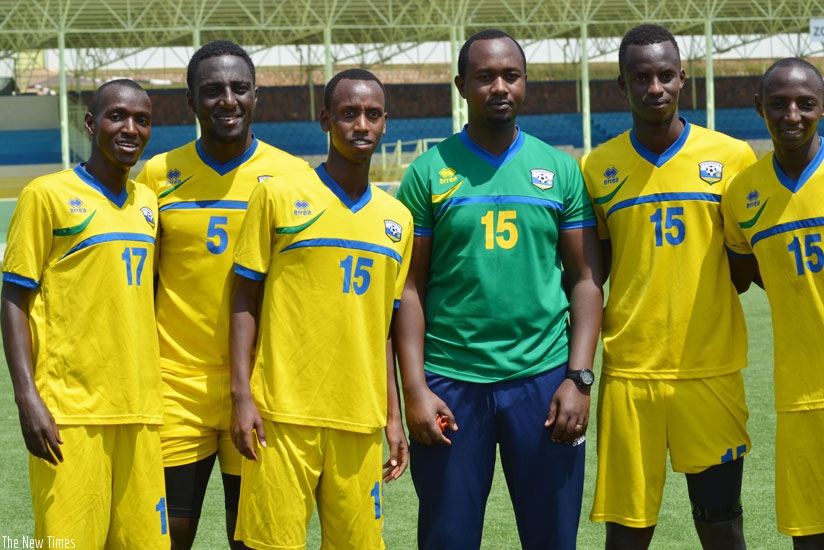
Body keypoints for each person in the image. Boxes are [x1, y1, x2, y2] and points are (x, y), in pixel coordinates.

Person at [394, 28, 603, 549]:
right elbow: (409, 288)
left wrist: (579, 378)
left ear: (526, 81)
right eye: (485, 77)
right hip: (450, 382)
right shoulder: (428, 172)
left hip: (543, 380)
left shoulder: (559, 170)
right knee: (447, 539)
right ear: (461, 86)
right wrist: (415, 389)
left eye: (511, 75)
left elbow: (585, 280)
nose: (500, 87)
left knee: (553, 539)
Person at [580, 24, 756, 550]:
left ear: (683, 78)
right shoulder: (598, 167)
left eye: (664, 75)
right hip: (631, 371)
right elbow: (596, 270)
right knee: (627, 530)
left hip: (711, 368)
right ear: (622, 85)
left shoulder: (732, 157)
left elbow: (743, 269)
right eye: (640, 77)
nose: (654, 87)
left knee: (721, 521)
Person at [135, 40, 310, 550]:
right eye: (212, 90)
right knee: (166, 537)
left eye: (239, 88)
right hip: (175, 383)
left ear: (256, 96)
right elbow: (141, 279)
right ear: (191, 102)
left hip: (259, 385)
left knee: (250, 537)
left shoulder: (295, 176)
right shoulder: (157, 175)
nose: (227, 100)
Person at [229, 68, 412, 549]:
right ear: (326, 120)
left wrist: (393, 417)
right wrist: (241, 395)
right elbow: (243, 298)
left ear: (385, 123)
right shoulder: (277, 195)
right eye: (349, 113)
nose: (361, 125)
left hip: (360, 419)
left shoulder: (397, 220)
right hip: (282, 413)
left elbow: (383, 327)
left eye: (372, 114)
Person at [1, 79, 168, 549]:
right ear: (91, 124)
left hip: (140, 411)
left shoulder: (148, 204)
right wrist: (27, 398)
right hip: (70, 415)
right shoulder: (46, 195)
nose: (130, 128)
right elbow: (13, 297)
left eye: (142, 120)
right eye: (117, 116)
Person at [722, 57, 824, 550]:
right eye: (779, 103)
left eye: (806, 103)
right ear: (759, 106)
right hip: (799, 393)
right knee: (809, 535)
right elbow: (745, 274)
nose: (793, 115)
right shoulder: (742, 194)